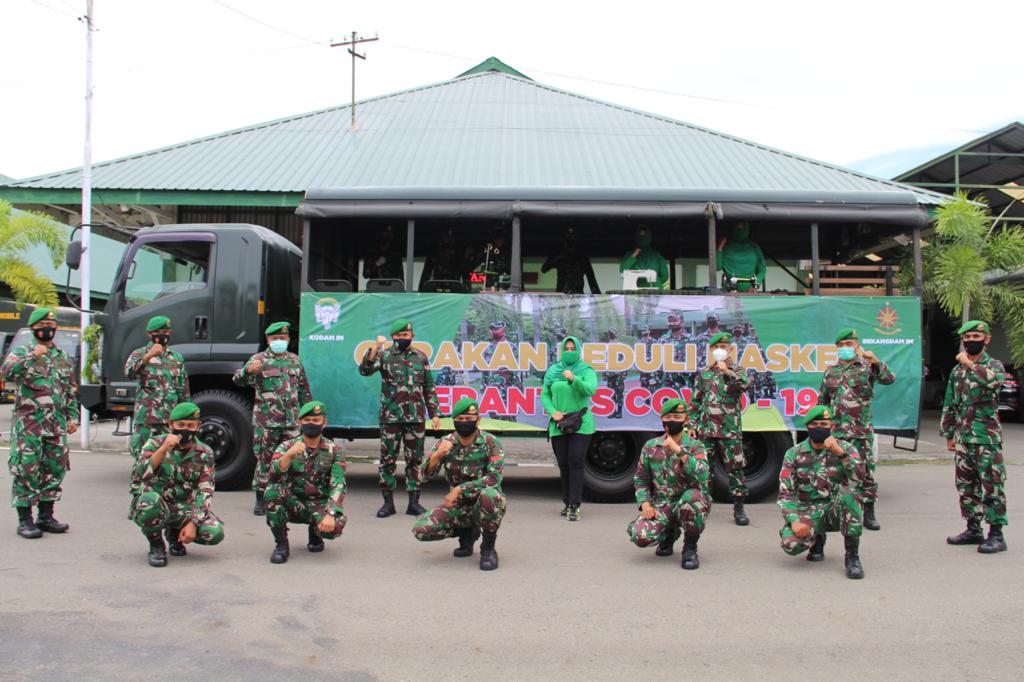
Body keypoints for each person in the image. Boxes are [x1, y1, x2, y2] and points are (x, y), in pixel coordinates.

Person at [2, 307, 78, 539]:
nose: (48, 328)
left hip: (55, 424)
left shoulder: (62, 357)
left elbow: (70, 389)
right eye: (43, 324)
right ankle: (25, 520)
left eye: (51, 324)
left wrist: (72, 416)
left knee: (54, 469)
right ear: (34, 328)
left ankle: (46, 516)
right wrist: (32, 356)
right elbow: (7, 374)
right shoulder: (22, 352)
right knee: (27, 469)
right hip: (30, 426)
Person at [359, 319, 441, 518]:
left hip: (415, 418)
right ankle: (388, 504)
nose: (403, 338)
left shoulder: (421, 357)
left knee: (415, 461)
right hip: (391, 418)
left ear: (412, 336)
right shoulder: (384, 355)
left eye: (407, 335)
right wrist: (375, 347)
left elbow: (429, 388)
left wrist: (435, 413)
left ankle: (414, 503)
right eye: (400, 335)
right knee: (388, 460)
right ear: (394, 337)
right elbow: (365, 370)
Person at [413, 398, 506, 571]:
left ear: (478, 420)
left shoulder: (490, 442)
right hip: (459, 506)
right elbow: (422, 477)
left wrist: (459, 489)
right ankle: (467, 534)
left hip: (482, 503)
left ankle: (488, 548)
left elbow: (494, 478)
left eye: (469, 419)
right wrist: (437, 456)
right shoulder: (445, 441)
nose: (464, 423)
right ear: (454, 421)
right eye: (460, 419)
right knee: (421, 529)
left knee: (490, 495)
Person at [818, 328, 895, 531]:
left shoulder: (867, 368)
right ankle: (834, 513)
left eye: (849, 344)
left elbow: (889, 379)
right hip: (837, 434)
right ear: (836, 348)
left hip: (861, 432)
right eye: (841, 345)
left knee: (865, 474)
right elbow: (823, 402)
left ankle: (868, 514)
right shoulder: (830, 372)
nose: (845, 348)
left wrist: (876, 361)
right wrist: (824, 431)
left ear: (857, 346)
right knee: (834, 475)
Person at [941, 320, 1008, 553]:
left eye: (975, 337)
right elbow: (950, 403)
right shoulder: (956, 371)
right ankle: (973, 528)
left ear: (986, 339)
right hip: (963, 438)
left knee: (992, 486)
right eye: (967, 338)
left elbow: (994, 383)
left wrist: (970, 364)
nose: (970, 341)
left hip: (986, 438)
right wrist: (949, 432)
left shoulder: (994, 366)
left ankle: (997, 534)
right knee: (966, 486)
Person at [232, 321, 312, 516]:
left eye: (282, 338)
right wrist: (247, 371)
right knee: (265, 459)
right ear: (268, 340)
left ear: (288, 340)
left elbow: (303, 389)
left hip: (291, 421)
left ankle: (287, 497)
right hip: (266, 421)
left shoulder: (294, 360)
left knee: (292, 459)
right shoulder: (258, 360)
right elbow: (238, 380)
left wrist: (308, 415)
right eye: (275, 338)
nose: (279, 341)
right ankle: (261, 496)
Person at [777, 405, 866, 579]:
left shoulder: (845, 448)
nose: (820, 428)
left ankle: (852, 557)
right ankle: (817, 539)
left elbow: (860, 478)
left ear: (831, 426)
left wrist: (840, 454)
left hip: (836, 508)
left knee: (850, 493)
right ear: (808, 427)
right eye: (815, 424)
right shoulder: (794, 454)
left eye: (824, 424)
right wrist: (794, 521)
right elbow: (785, 493)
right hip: (809, 510)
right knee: (791, 545)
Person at [132, 402, 224, 568]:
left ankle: (174, 534)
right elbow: (139, 474)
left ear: (198, 427)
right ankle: (156, 545)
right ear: (170, 424)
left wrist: (193, 523)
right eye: (180, 425)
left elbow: (205, 489)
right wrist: (164, 448)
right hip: (156, 503)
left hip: (182, 507)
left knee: (214, 533)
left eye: (190, 426)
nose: (185, 430)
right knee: (148, 503)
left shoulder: (204, 452)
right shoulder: (154, 443)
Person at [628, 398, 710, 569]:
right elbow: (641, 479)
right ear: (662, 420)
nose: (672, 421)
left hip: (689, 502)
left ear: (686, 420)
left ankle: (690, 548)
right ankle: (669, 534)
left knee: (692, 499)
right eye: (669, 417)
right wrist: (645, 504)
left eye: (677, 417)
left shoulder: (696, 446)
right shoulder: (651, 446)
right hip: (663, 503)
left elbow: (703, 475)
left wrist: (679, 451)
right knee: (639, 535)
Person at [265, 401, 347, 564]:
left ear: (324, 423)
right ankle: (281, 545)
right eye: (307, 420)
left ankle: (315, 534)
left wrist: (330, 514)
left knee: (334, 528)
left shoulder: (334, 450)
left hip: (319, 503)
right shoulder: (287, 446)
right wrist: (288, 456)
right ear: (300, 421)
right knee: (272, 491)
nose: (311, 424)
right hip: (293, 501)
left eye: (316, 421)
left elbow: (338, 483)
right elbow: (273, 476)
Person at [123, 315, 190, 504]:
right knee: (143, 458)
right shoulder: (139, 354)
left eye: (166, 332)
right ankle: (138, 500)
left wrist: (186, 417)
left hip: (170, 420)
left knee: (171, 459)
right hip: (147, 419)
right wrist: (148, 357)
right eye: (158, 332)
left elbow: (183, 389)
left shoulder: (176, 358)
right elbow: (129, 373)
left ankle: (163, 499)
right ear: (150, 334)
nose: (162, 335)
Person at [690, 331, 752, 526]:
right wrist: (691, 425)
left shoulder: (738, 370)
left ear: (730, 349)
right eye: (716, 348)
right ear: (710, 350)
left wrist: (727, 372)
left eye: (723, 347)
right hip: (707, 430)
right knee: (704, 470)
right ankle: (703, 505)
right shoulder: (705, 372)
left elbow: (745, 385)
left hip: (729, 430)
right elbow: (696, 401)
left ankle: (739, 507)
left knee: (736, 469)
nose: (719, 351)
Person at [541, 336, 597, 522]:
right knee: (563, 463)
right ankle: (566, 503)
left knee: (575, 461)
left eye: (573, 348)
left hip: (581, 423)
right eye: (567, 348)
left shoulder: (585, 370)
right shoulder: (553, 371)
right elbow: (545, 394)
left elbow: (590, 390)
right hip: (559, 423)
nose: (570, 351)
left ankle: (575, 504)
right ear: (562, 350)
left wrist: (574, 379)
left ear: (578, 350)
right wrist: (552, 411)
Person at [540, 227, 600, 294]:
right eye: (568, 237)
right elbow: (544, 269)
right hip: (561, 294)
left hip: (577, 294)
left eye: (572, 237)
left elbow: (591, 279)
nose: (571, 239)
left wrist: (597, 297)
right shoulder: (560, 256)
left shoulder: (582, 257)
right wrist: (558, 256)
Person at [717, 221, 766, 292]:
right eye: (738, 227)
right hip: (729, 289)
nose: (740, 230)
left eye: (743, 227)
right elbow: (717, 267)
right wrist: (720, 247)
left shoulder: (754, 247)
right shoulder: (726, 245)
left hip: (749, 290)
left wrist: (755, 286)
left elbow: (762, 269)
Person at [619, 225, 669, 289]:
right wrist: (634, 255)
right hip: (634, 293)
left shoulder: (657, 256)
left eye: (645, 235)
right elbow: (622, 270)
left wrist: (656, 283)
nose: (642, 237)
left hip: (654, 293)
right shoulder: (630, 255)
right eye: (640, 235)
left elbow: (665, 276)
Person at [658, 311, 690, 390]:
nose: (672, 323)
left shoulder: (691, 340)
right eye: (670, 321)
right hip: (667, 382)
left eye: (675, 320)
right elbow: (658, 363)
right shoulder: (662, 340)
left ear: (682, 321)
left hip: (686, 382)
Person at [604, 327, 626, 419]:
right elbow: (604, 360)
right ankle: (613, 411)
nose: (610, 334)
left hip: (618, 374)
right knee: (611, 393)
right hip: (610, 374)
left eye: (612, 332)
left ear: (615, 334)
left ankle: (619, 412)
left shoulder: (620, 345)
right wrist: (604, 374)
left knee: (619, 393)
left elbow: (625, 359)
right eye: (609, 333)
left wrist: (624, 372)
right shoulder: (606, 346)